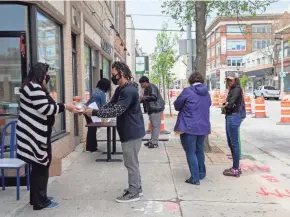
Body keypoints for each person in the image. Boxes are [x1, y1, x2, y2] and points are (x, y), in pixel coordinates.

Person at [16, 62, 77, 210]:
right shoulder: (34, 88)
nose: (47, 76)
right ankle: (40, 202)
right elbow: (46, 109)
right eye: (47, 74)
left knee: (39, 167)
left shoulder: (30, 86)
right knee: (41, 167)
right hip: (34, 137)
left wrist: (62, 105)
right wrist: (65, 106)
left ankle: (37, 198)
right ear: (40, 74)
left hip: (35, 135)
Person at [84, 61, 145, 203]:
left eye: (113, 74)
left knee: (131, 163)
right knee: (132, 162)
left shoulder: (129, 91)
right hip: (128, 130)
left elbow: (117, 110)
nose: (112, 77)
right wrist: (94, 110)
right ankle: (137, 188)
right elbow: (111, 105)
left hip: (132, 132)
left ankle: (134, 191)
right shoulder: (121, 89)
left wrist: (94, 111)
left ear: (121, 74)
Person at [173, 72, 211, 185]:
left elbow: (177, 105)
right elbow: (209, 104)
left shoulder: (188, 91)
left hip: (188, 126)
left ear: (191, 81)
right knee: (199, 150)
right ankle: (201, 173)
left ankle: (195, 178)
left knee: (190, 152)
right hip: (203, 127)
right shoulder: (206, 93)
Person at [222, 75, 243, 177]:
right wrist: (225, 105)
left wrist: (225, 105)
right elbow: (227, 103)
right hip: (230, 116)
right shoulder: (232, 89)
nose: (229, 82)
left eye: (230, 80)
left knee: (234, 143)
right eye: (227, 80)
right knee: (231, 143)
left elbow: (230, 103)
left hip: (233, 117)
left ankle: (236, 169)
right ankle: (235, 167)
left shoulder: (237, 89)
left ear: (235, 80)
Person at [85, 78, 111, 152]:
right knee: (92, 129)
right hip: (92, 111)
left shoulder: (95, 90)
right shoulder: (102, 93)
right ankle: (91, 148)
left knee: (91, 129)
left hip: (87, 110)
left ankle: (92, 147)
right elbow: (103, 106)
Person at [139, 76, 164, 148]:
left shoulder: (152, 87)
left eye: (141, 83)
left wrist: (143, 97)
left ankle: (154, 142)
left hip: (156, 109)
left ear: (145, 82)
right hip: (152, 109)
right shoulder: (147, 88)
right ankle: (152, 140)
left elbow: (154, 97)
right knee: (154, 126)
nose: (141, 85)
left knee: (155, 126)